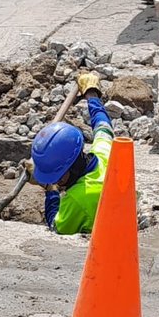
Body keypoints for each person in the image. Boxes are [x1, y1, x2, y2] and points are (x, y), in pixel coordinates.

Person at [27, 71, 114, 235]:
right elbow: (103, 125)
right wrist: (91, 94)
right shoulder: (105, 153)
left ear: (73, 168)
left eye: (58, 177)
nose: (56, 181)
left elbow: (56, 226)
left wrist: (51, 190)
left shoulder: (76, 199)